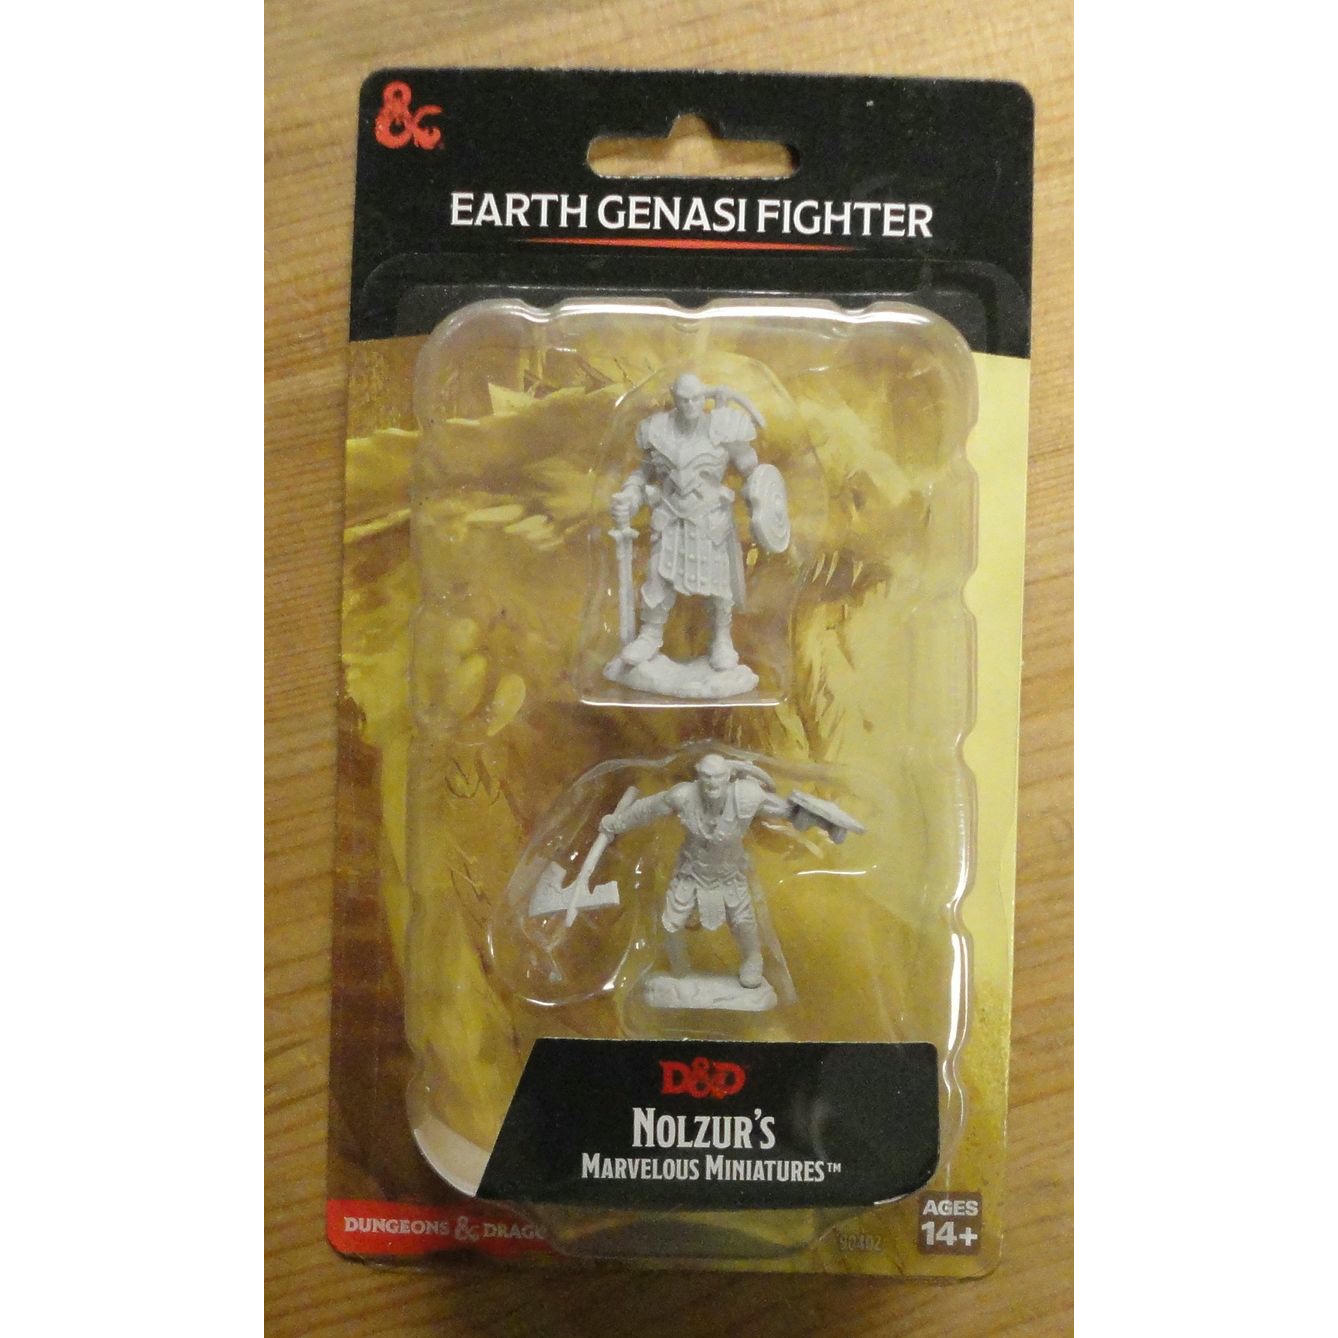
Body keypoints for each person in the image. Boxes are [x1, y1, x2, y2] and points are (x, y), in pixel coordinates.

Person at [610, 374, 766, 673]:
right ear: (674, 398)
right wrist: (630, 497)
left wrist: (759, 497)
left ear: (704, 397)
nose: (691, 404)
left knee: (719, 585)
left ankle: (722, 639)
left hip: (710, 516)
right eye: (684, 399)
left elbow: (751, 468)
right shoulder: (656, 429)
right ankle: (650, 636)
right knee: (657, 577)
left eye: (696, 398)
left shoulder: (722, 426)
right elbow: (643, 473)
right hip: (670, 516)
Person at [599, 753, 795, 988]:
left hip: (729, 873)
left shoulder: (746, 796)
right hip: (691, 873)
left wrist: (816, 813)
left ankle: (752, 960)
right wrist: (617, 823)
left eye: (718, 777)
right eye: (706, 776)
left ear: (728, 776)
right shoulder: (683, 795)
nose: (712, 783)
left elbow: (784, 809)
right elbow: (649, 808)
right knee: (671, 923)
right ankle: (679, 969)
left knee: (743, 921)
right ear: (699, 776)